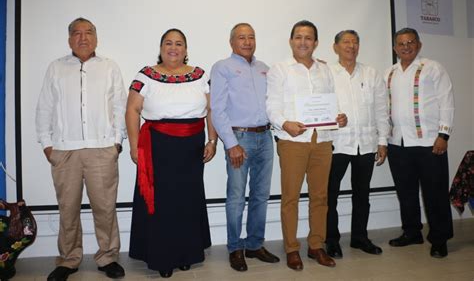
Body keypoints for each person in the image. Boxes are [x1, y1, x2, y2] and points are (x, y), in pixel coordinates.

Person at [36, 17, 127, 281]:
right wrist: (47, 145)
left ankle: (108, 257)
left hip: (102, 149)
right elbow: (44, 107)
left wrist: (117, 142)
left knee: (105, 208)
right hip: (65, 151)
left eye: (88, 33)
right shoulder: (56, 68)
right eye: (77, 33)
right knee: (68, 208)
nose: (83, 37)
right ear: (69, 40)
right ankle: (68, 260)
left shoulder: (109, 67)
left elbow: (120, 106)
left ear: (96, 38)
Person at [126, 28, 217, 278]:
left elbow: (212, 109)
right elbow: (132, 110)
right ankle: (162, 257)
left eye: (179, 43)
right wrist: (134, 147)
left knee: (187, 201)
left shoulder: (200, 75)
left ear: (186, 50)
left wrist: (212, 140)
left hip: (192, 147)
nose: (173, 47)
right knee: (161, 203)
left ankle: (187, 254)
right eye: (168, 43)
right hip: (157, 147)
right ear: (161, 48)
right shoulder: (145, 75)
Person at [266, 20, 347, 271]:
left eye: (308, 37)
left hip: (322, 140)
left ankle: (316, 245)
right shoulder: (279, 69)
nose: (303, 42)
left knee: (320, 197)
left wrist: (340, 117)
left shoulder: (325, 70)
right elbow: (271, 106)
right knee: (290, 198)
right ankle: (292, 248)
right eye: (299, 37)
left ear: (316, 43)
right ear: (291, 41)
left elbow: (331, 102)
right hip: (293, 141)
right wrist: (284, 123)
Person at [210, 23, 280, 272]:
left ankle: (254, 244)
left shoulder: (265, 69)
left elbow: (278, 100)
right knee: (237, 197)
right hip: (239, 139)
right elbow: (216, 110)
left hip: (265, 138)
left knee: (261, 195)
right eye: (242, 37)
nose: (247, 41)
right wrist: (231, 144)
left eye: (251, 37)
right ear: (232, 42)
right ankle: (234, 248)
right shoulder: (222, 68)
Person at [384, 28, 454, 258]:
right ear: (395, 48)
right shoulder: (390, 73)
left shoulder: (433, 68)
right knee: (406, 193)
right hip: (398, 143)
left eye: (410, 42)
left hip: (429, 142)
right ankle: (412, 232)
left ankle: (439, 239)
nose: (406, 47)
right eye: (401, 43)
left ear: (419, 44)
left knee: (435, 193)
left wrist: (443, 135)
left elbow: (447, 102)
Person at [326, 30, 390, 259]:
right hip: (336, 144)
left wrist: (383, 141)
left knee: (362, 194)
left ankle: (359, 238)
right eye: (346, 42)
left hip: (366, 143)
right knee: (329, 194)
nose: (351, 46)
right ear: (336, 47)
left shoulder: (372, 73)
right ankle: (331, 240)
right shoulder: (327, 73)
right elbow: (321, 106)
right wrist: (332, 117)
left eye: (355, 42)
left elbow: (382, 109)